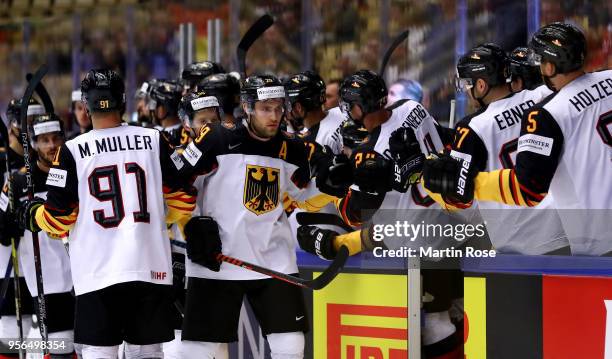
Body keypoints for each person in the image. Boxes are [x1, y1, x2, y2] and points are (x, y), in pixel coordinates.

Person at [18, 69, 195, 359]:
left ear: (86, 106)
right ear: (122, 100)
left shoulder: (71, 151)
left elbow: (58, 220)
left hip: (97, 274)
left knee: (100, 354)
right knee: (147, 354)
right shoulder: (154, 140)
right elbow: (185, 200)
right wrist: (154, 222)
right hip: (149, 269)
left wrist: (34, 214)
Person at [178, 74, 334, 359]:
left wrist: (329, 187)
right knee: (197, 352)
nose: (274, 116)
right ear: (247, 107)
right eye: (265, 108)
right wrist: (189, 226)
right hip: (217, 260)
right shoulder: (215, 138)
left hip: (273, 259)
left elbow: (302, 198)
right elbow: (176, 184)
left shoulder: (292, 149)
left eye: (278, 108)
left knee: (291, 347)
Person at [423, 22, 612, 256]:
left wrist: (428, 179)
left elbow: (459, 199)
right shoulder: (541, 96)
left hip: (530, 245)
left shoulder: (480, 126)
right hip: (561, 229)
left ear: (481, 85)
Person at [0, 113, 77, 357]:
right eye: (44, 140)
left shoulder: (76, 171)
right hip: (49, 278)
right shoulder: (19, 180)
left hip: (85, 271)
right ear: (33, 144)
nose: (52, 145)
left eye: (56, 138)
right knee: (61, 345)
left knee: (92, 346)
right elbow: (2, 229)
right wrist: (13, 221)